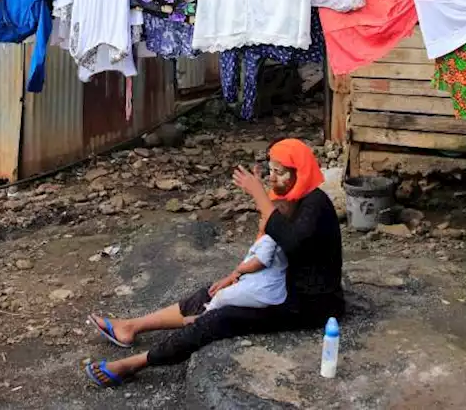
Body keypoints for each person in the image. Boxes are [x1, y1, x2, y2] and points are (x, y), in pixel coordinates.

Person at [84, 138, 344, 388]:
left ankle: (133, 364)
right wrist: (234, 275)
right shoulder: (294, 199)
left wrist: (259, 197)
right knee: (210, 291)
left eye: (280, 172)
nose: (272, 178)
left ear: (300, 172)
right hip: (279, 289)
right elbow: (270, 249)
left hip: (308, 305)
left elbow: (292, 243)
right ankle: (131, 326)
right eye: (271, 171)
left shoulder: (315, 205)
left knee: (219, 320)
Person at [190, 199, 294, 318]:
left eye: (263, 218)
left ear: (274, 223)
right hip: (267, 289)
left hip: (263, 290)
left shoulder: (270, 239)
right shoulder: (276, 238)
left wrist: (240, 269)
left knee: (222, 296)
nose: (259, 221)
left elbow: (260, 262)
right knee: (228, 293)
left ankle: (204, 316)